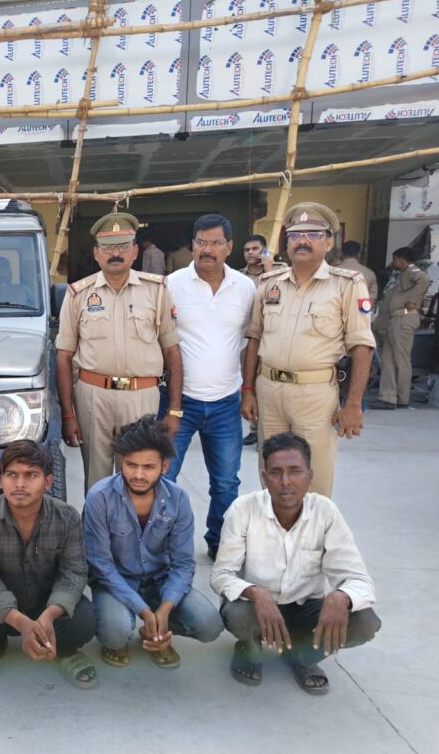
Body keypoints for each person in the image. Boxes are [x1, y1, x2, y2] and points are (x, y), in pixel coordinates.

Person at [211, 432, 381, 695]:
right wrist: (257, 594)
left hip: (306, 607)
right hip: (255, 608)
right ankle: (249, 647)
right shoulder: (243, 509)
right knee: (237, 615)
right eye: (276, 472)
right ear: (264, 477)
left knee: (365, 622)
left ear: (310, 476)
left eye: (295, 471)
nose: (285, 481)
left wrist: (340, 596)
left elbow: (359, 578)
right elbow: (222, 574)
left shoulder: (325, 512)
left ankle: (302, 657)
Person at [240, 202, 375, 497]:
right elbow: (254, 339)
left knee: (314, 479)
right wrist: (248, 389)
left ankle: (313, 529)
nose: (303, 241)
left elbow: (362, 346)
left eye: (313, 234)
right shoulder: (269, 284)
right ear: (286, 243)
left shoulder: (346, 285)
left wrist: (353, 404)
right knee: (272, 475)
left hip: (315, 395)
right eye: (295, 235)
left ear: (329, 242)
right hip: (269, 392)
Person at [56, 212, 183, 494]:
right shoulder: (78, 294)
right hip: (93, 397)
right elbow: (63, 357)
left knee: (138, 479)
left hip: (141, 397)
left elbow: (172, 350)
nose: (116, 253)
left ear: (135, 251)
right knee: (96, 483)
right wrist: (68, 415)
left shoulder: (157, 291)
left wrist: (174, 410)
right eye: (108, 247)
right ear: (96, 253)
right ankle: (97, 526)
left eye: (123, 246)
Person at [84, 416, 223, 670]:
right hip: (115, 582)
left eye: (148, 467)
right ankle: (125, 633)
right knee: (115, 633)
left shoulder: (178, 499)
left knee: (209, 625)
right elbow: (100, 565)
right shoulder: (99, 497)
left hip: (160, 580)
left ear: (164, 466)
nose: (138, 474)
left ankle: (157, 631)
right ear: (121, 461)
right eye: (131, 465)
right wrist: (144, 611)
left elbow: (183, 564)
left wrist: (165, 608)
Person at [0, 441, 97, 689]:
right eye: (11, 475)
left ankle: (66, 651)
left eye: (31, 475)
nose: (20, 484)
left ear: (48, 481)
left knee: (85, 619)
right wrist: (22, 623)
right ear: (1, 480)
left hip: (48, 603)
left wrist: (50, 614)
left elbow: (74, 573)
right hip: (3, 606)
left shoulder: (67, 517)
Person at [160, 214, 256, 560]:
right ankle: (163, 546)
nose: (207, 250)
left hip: (225, 402)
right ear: (192, 245)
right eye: (201, 242)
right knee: (165, 478)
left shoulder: (245, 288)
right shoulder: (172, 285)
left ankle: (220, 543)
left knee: (226, 482)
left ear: (229, 247)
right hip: (178, 402)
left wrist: (248, 390)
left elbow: (252, 341)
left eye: (216, 243)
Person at [370, 247, 432, 410]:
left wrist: (413, 300)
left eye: (394, 259)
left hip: (404, 318)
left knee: (401, 360)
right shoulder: (404, 275)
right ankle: (388, 397)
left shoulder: (412, 270)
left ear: (401, 259)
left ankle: (402, 398)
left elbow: (424, 280)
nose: (393, 262)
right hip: (395, 320)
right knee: (388, 360)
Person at [240, 235, 271, 446]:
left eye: (255, 249)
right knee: (248, 382)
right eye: (247, 250)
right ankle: (254, 427)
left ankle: (265, 430)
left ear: (265, 250)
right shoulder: (238, 277)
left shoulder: (279, 273)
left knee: (266, 383)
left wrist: (269, 270)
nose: (251, 253)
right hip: (247, 338)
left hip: (271, 337)